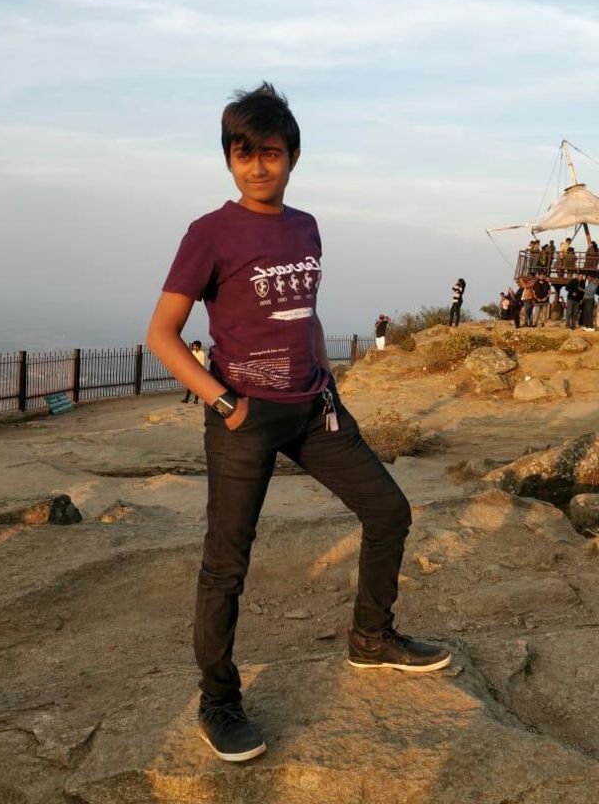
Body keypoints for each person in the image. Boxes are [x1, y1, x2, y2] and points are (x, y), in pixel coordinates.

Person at [146, 83, 450, 763]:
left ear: (292, 157)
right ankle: (219, 700)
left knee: (389, 511)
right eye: (243, 153)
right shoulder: (209, 233)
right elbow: (162, 333)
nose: (258, 166)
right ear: (229, 158)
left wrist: (327, 380)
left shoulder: (306, 226)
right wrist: (224, 404)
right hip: (244, 419)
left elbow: (306, 310)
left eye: (271, 153)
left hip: (314, 411)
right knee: (226, 564)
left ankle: (371, 638)